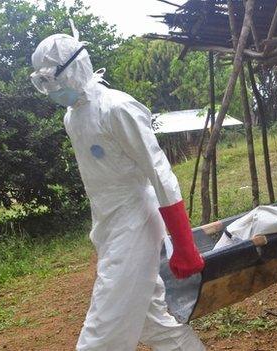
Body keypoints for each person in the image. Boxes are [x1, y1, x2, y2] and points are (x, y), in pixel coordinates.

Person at [30, 27, 206, 350]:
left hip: (136, 223)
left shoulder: (116, 108)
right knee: (154, 324)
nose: (50, 90)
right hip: (109, 227)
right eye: (42, 84)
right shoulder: (73, 118)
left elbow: (160, 173)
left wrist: (184, 245)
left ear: (71, 70)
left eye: (50, 80)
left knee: (101, 336)